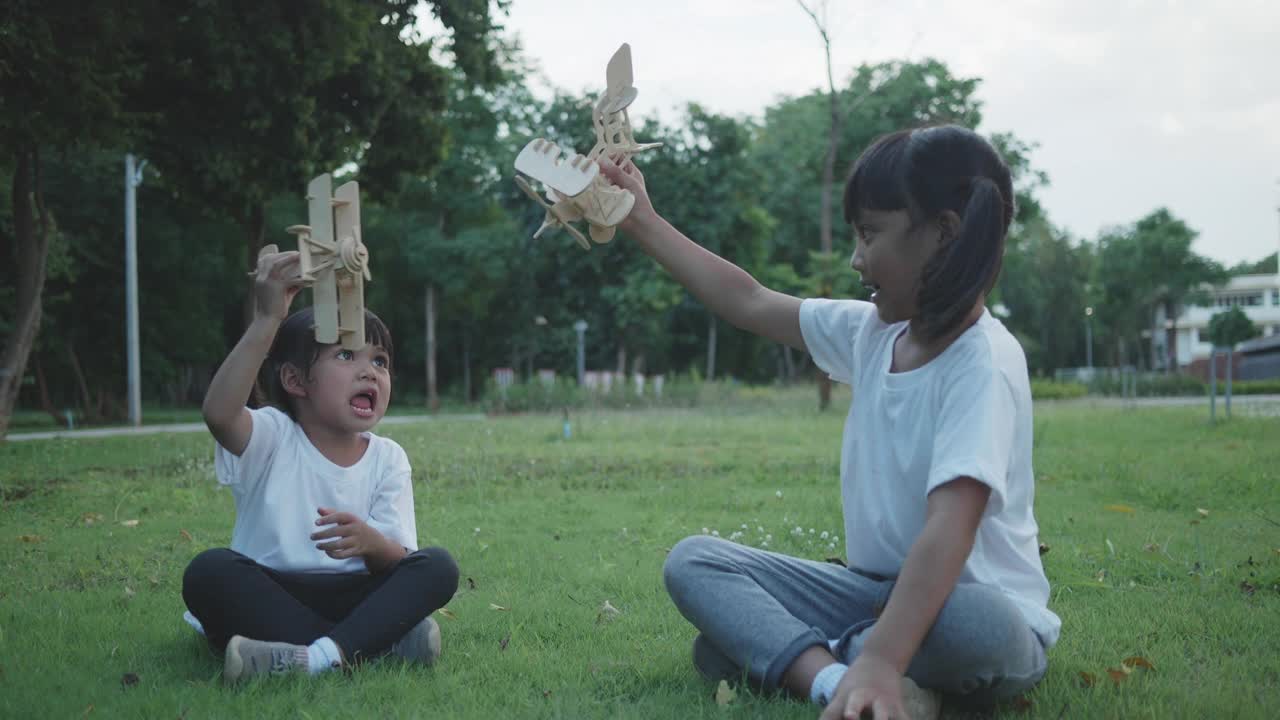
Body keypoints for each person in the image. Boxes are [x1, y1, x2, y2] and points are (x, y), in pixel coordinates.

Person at [598, 124, 1058, 719]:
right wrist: (641, 220)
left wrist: (883, 657)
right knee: (695, 561)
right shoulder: (871, 333)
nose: (856, 257)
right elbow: (749, 300)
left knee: (979, 626)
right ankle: (834, 681)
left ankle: (803, 657)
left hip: (970, 608)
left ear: (943, 234)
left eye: (870, 235)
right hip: (868, 597)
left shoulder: (983, 363)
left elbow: (950, 530)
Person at [181, 249, 458, 684]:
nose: (369, 371)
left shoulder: (388, 457)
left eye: (380, 361)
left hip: (352, 595)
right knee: (208, 572)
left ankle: (307, 658)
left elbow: (397, 560)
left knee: (438, 566)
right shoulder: (271, 436)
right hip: (271, 591)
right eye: (346, 357)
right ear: (295, 381)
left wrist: (371, 543)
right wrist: (266, 320)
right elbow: (219, 414)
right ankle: (370, 646)